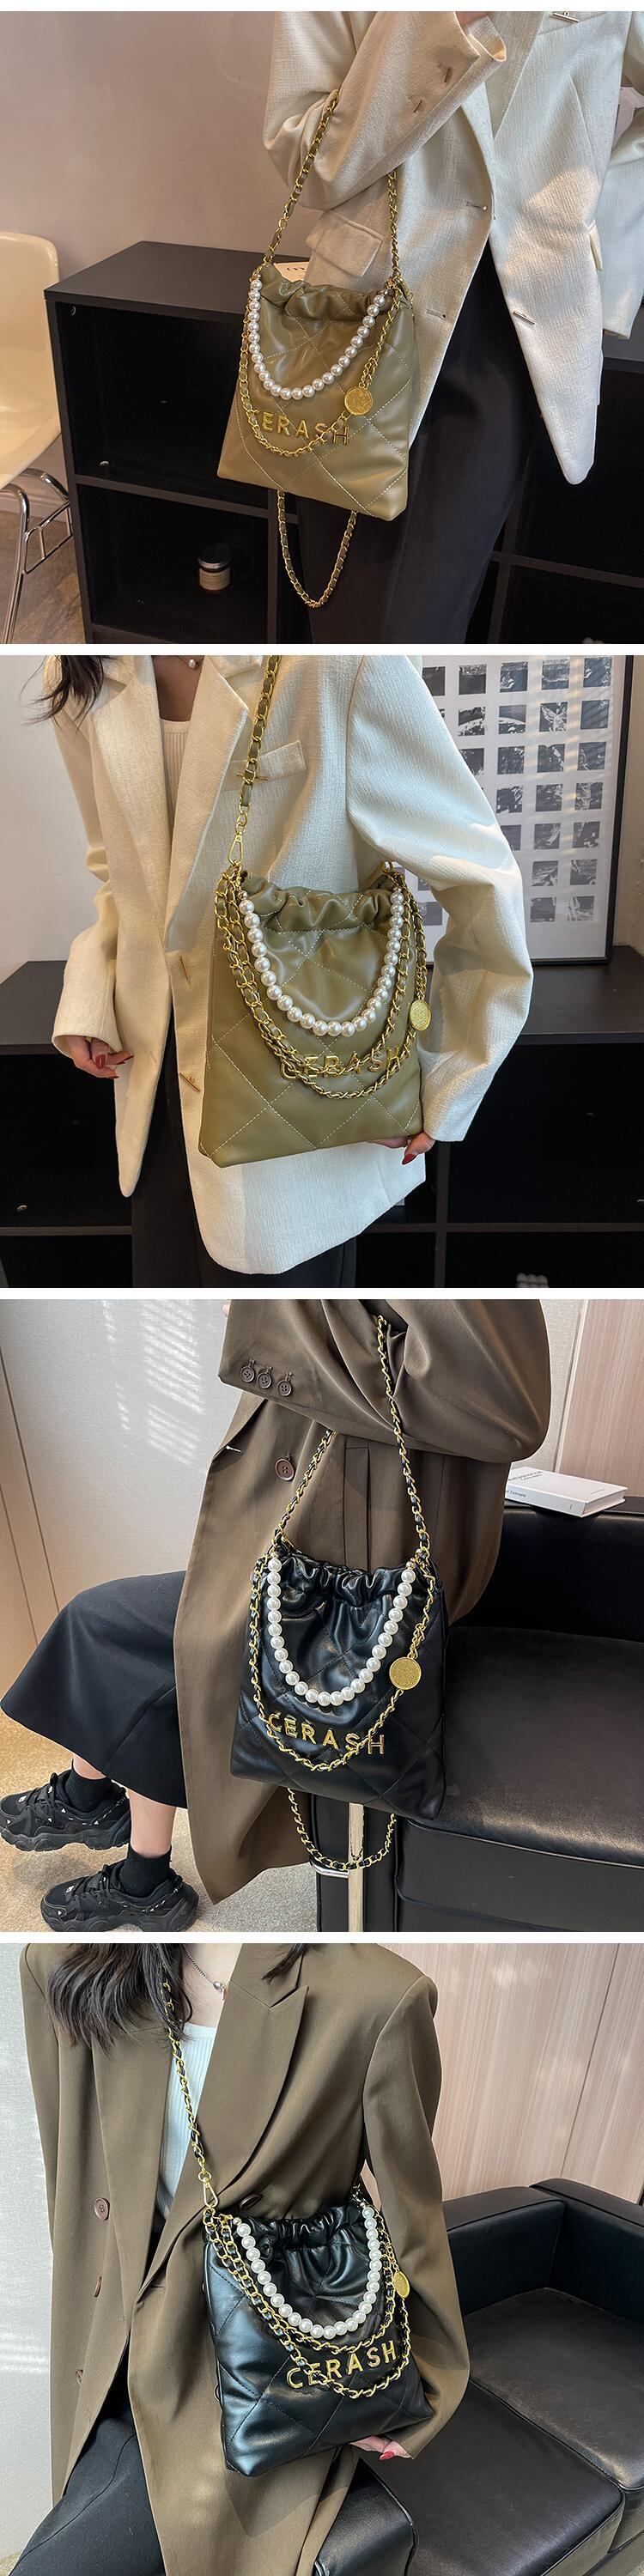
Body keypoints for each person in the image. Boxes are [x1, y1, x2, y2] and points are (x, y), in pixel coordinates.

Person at [0, 1296, 550, 1929]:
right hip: (318, 1535)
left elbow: (506, 1405)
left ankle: (105, 1819)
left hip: (361, 1561)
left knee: (115, 1629)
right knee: (152, 1640)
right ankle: (123, 1846)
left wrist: (276, 1318)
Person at [40, 649, 533, 1285]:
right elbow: (114, 866)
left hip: (306, 1106)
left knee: (289, 1322)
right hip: (150, 1089)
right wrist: (90, 994)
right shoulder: (78, 671)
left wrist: (448, 1073)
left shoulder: (341, 666)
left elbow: (480, 879)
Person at [15, 1938, 468, 2576]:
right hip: (106, 2340)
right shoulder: (68, 1965)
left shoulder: (375, 1999)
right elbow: (74, 2178)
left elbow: (412, 2213)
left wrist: (408, 2386)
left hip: (252, 2357)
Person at [264, 10, 644, 639]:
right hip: (357, 318)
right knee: (338, 609)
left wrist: (601, 251)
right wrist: (442, 25)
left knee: (415, 625)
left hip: (511, 333)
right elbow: (308, 161)